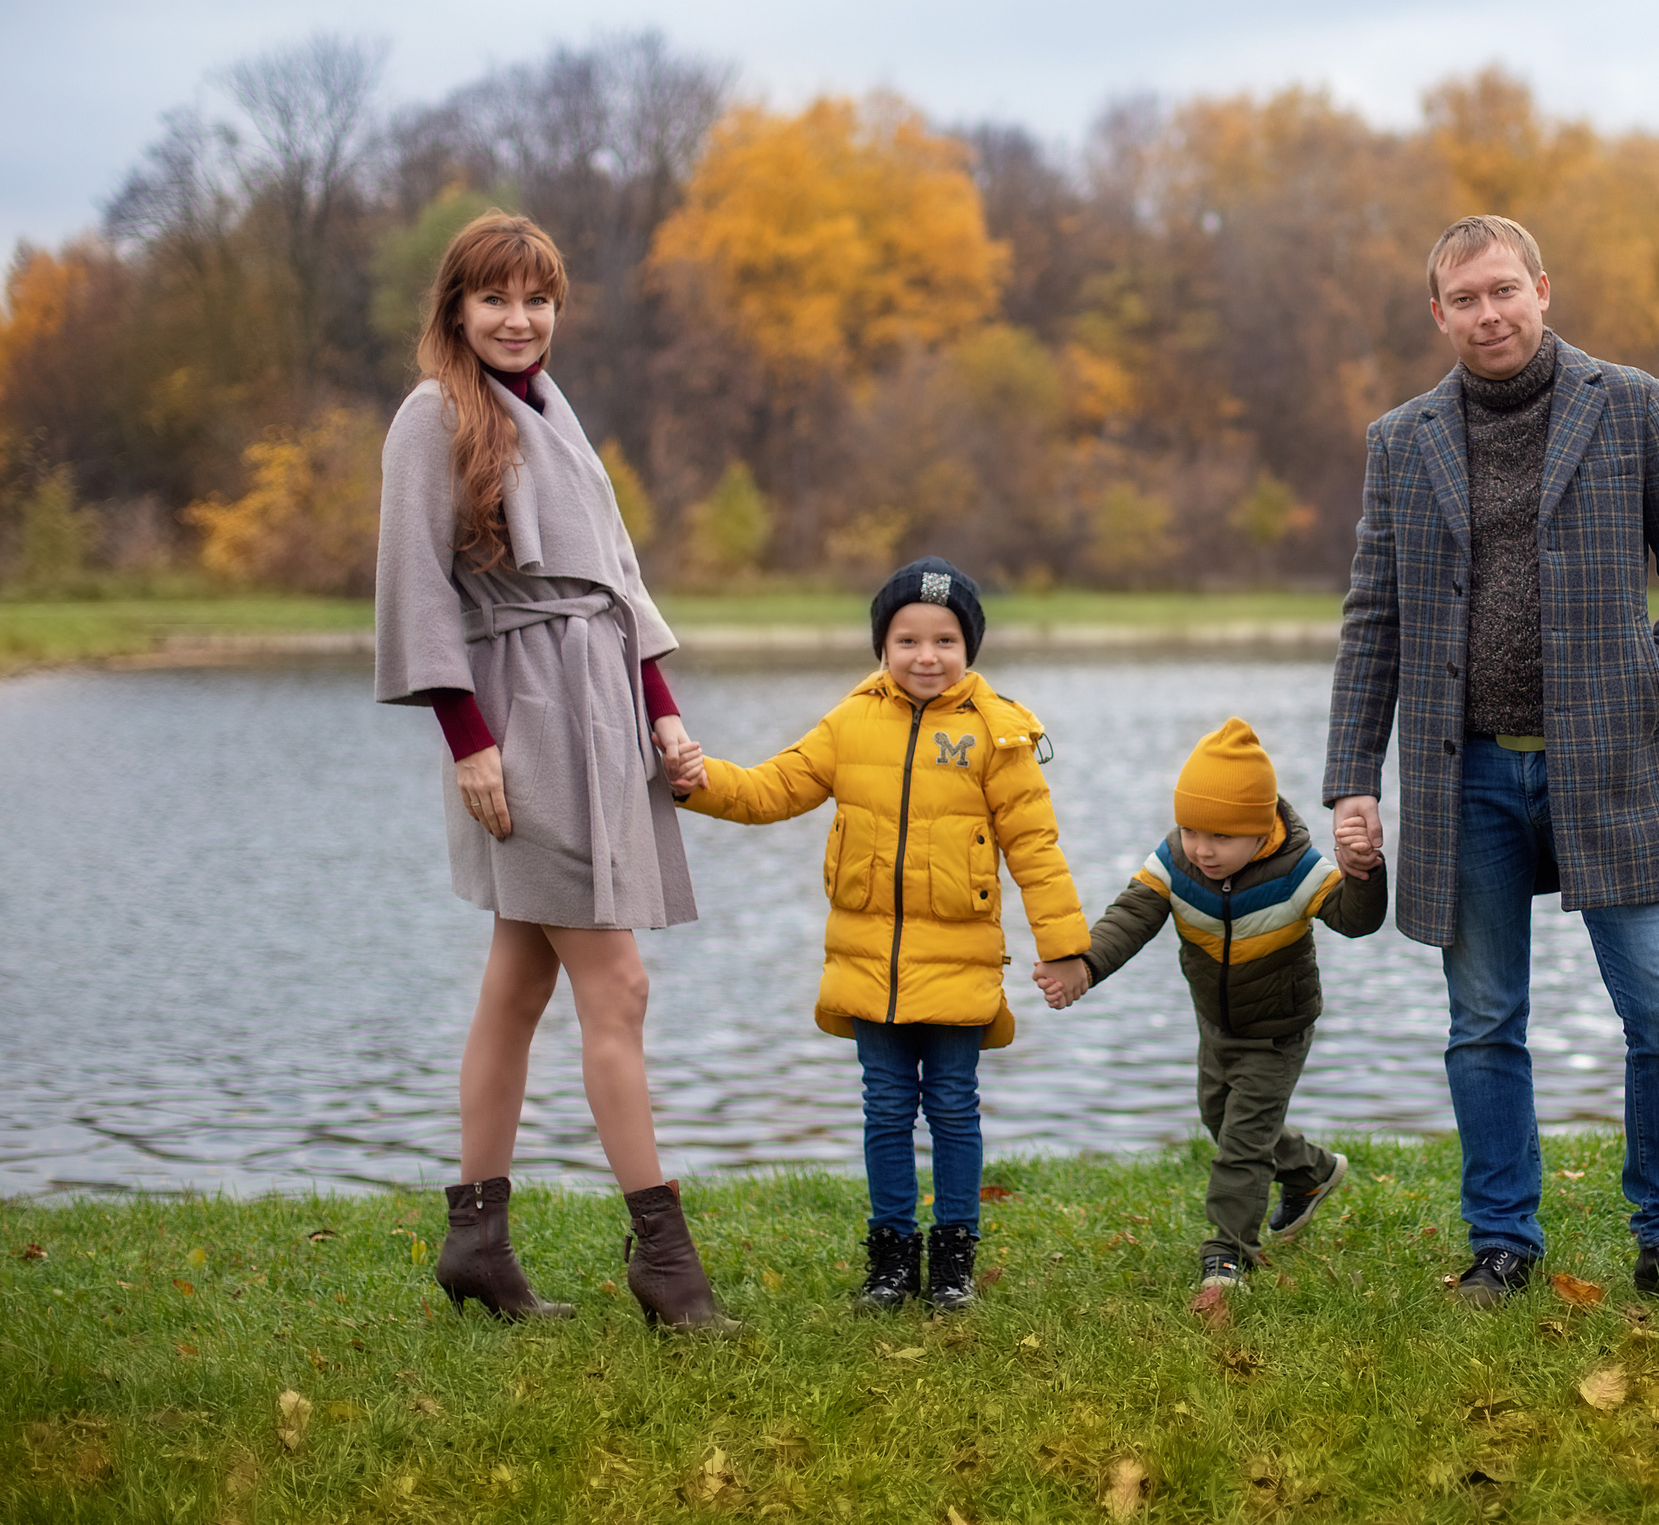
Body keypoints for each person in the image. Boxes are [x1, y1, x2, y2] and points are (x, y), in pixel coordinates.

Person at [1324, 214, 1659, 1306]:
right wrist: (1352, 778)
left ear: (1543, 291)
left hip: (1611, 764)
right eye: (1464, 300)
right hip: (1464, 777)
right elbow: (1373, 619)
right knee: (1483, 1021)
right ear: (1438, 315)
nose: (1488, 314)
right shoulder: (1400, 441)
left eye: (1503, 290)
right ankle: (1502, 1242)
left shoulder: (1630, 405)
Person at [375, 211, 732, 1332]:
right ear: (457, 310)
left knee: (518, 983)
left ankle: (477, 1241)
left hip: (601, 708)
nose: (519, 320)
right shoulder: (432, 416)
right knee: (616, 985)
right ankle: (665, 1266)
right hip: (520, 721)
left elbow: (614, 584)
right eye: (496, 299)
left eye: (537, 300)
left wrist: (663, 717)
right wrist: (465, 737)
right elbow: (416, 589)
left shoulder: (556, 411)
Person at [675, 557, 1088, 1311]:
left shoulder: (1000, 737)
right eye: (907, 639)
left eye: (944, 640)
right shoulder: (851, 722)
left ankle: (955, 1258)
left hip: (959, 965)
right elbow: (772, 789)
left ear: (969, 649)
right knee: (886, 1110)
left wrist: (1064, 946)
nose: (926, 656)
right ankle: (892, 1258)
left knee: (955, 1107)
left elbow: (1037, 849)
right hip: (869, 964)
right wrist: (695, 782)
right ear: (882, 646)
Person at [1033, 719, 1386, 1293]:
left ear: (1257, 831)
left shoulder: (1298, 869)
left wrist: (1363, 873)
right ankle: (1313, 1172)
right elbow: (1131, 916)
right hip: (1216, 1022)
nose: (1202, 848)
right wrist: (1085, 965)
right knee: (1221, 1118)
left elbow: (1356, 919)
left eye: (1220, 836)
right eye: (1192, 830)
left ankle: (1228, 1255)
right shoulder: (1176, 861)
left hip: (1278, 1028)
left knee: (1241, 1146)